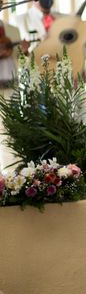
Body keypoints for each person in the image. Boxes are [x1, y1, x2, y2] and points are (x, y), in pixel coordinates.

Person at [0, 11, 29, 173]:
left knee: (10, 128)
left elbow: (21, 59)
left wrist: (24, 51)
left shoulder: (13, 30)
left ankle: (12, 171)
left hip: (11, 86)